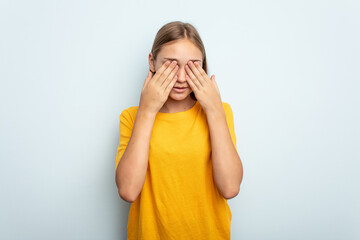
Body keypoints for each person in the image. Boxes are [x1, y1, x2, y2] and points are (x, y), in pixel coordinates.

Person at [115, 21, 243, 240]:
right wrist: (146, 112)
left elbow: (230, 187)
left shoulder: (221, 112)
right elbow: (128, 191)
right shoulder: (132, 117)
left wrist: (214, 110)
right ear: (152, 62)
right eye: (171, 65)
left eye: (193, 65)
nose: (183, 78)